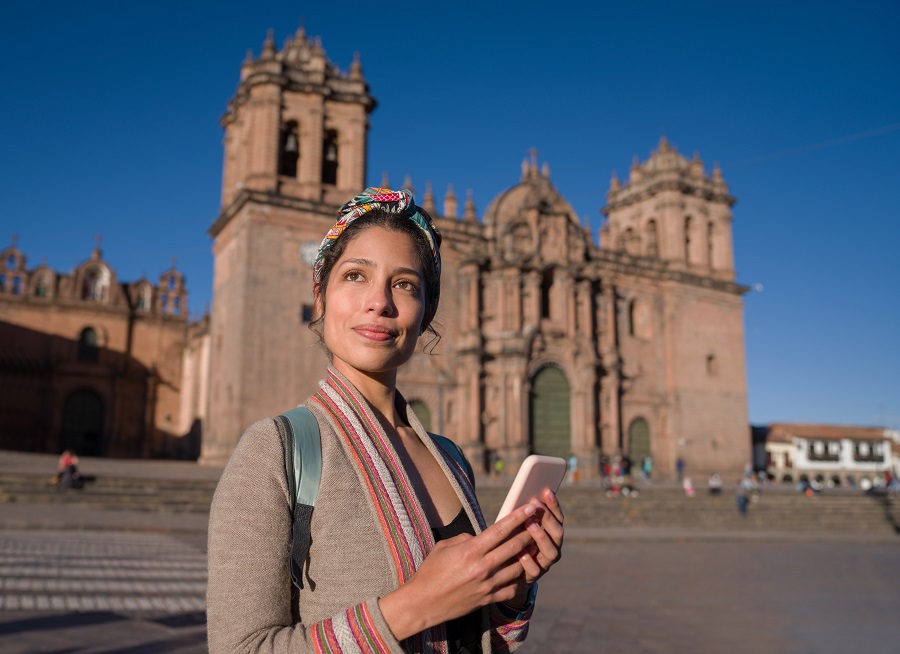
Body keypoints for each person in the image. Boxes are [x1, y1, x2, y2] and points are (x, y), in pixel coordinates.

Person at [207, 188, 565, 653]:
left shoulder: (452, 460)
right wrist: (417, 604)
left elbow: (479, 640)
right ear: (320, 298)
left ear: (425, 313)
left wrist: (511, 591)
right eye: (355, 276)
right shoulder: (273, 451)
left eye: (404, 285)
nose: (379, 302)